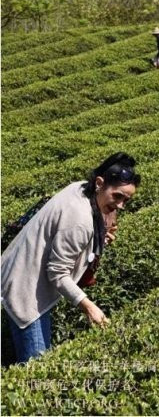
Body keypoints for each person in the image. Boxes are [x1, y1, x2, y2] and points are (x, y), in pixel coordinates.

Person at [1, 153, 141, 364]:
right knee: (37, 366)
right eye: (117, 196)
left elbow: (96, 217)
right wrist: (89, 307)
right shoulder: (80, 220)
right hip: (25, 288)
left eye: (126, 200)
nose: (120, 205)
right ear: (100, 183)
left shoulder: (81, 188)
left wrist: (104, 228)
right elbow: (57, 272)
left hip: (18, 271)